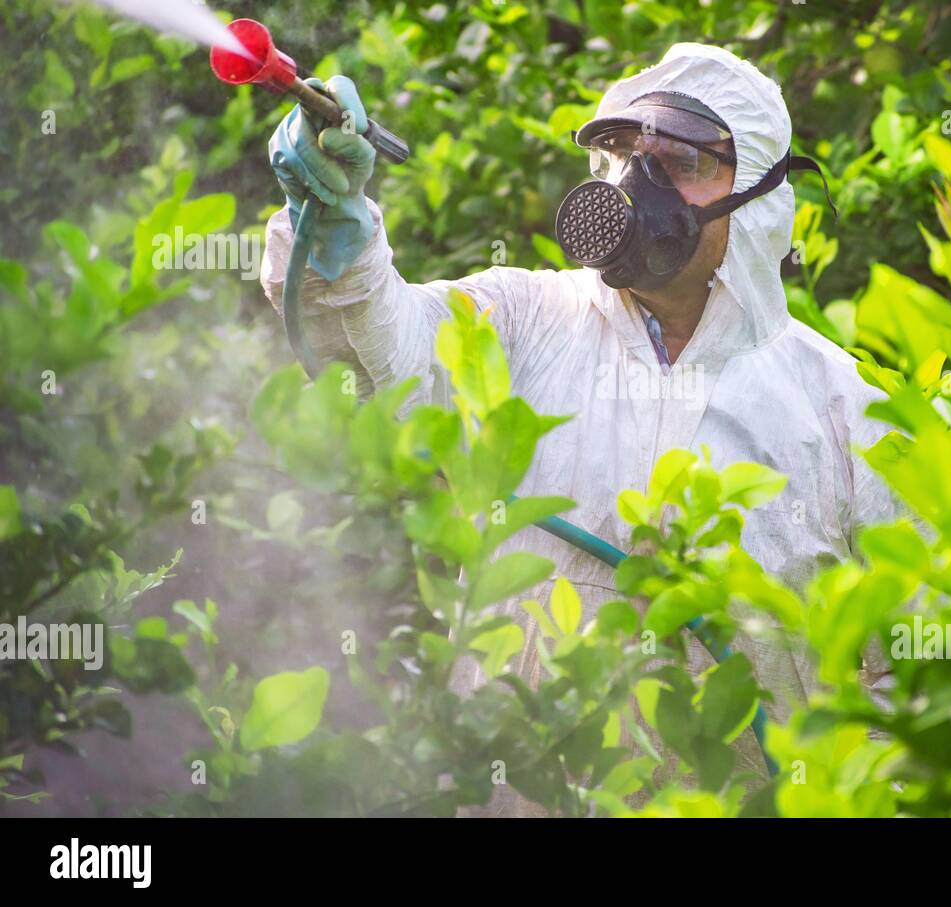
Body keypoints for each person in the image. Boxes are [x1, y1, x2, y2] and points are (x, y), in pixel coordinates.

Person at [260, 43, 899, 813]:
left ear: (761, 197)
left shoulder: (843, 412)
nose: (638, 186)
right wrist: (338, 230)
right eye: (627, 154)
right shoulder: (523, 321)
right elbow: (382, 353)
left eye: (683, 161)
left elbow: (914, 686)